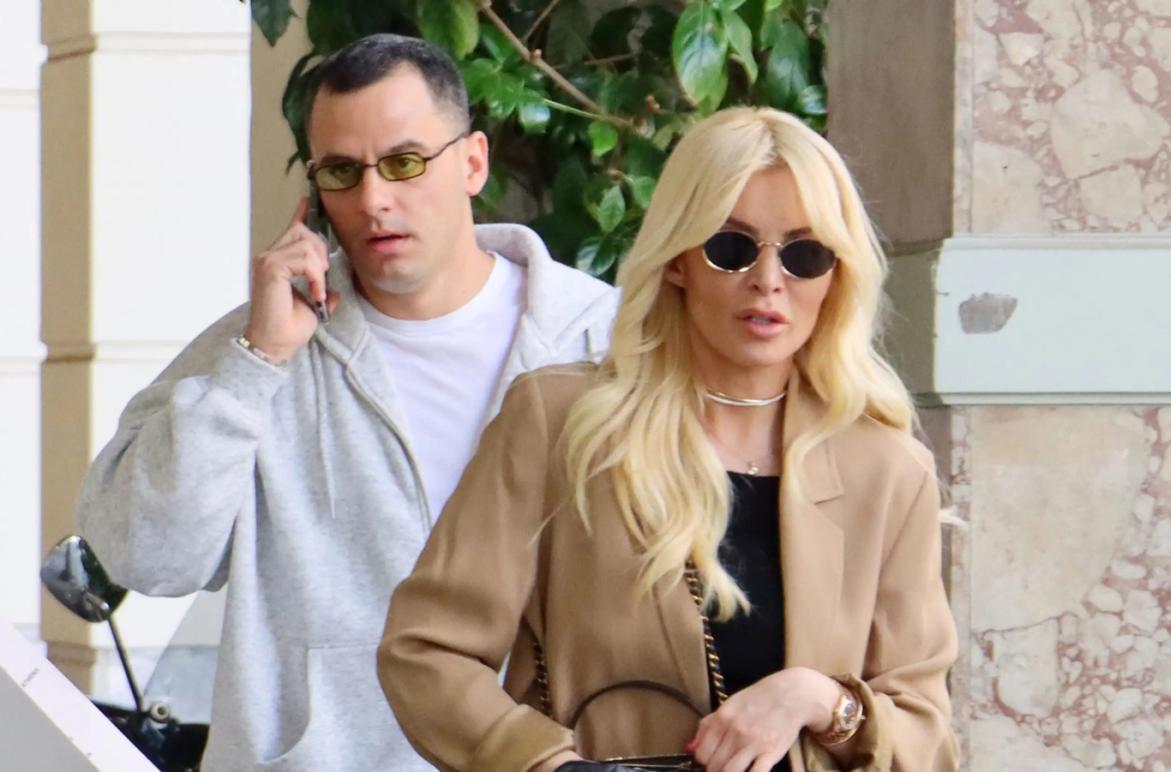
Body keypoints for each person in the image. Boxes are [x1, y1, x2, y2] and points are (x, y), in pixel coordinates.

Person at [74, 33, 617, 771]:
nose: (372, 200)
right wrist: (256, 363)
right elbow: (145, 557)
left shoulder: (601, 338)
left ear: (473, 162)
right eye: (341, 171)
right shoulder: (259, 343)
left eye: (404, 162)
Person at [377, 106, 959, 772]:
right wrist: (544, 765)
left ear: (837, 275)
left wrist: (820, 699)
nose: (769, 280)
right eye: (732, 247)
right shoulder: (561, 424)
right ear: (679, 258)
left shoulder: (887, 471)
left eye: (806, 255)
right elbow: (426, 650)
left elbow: (927, 737)